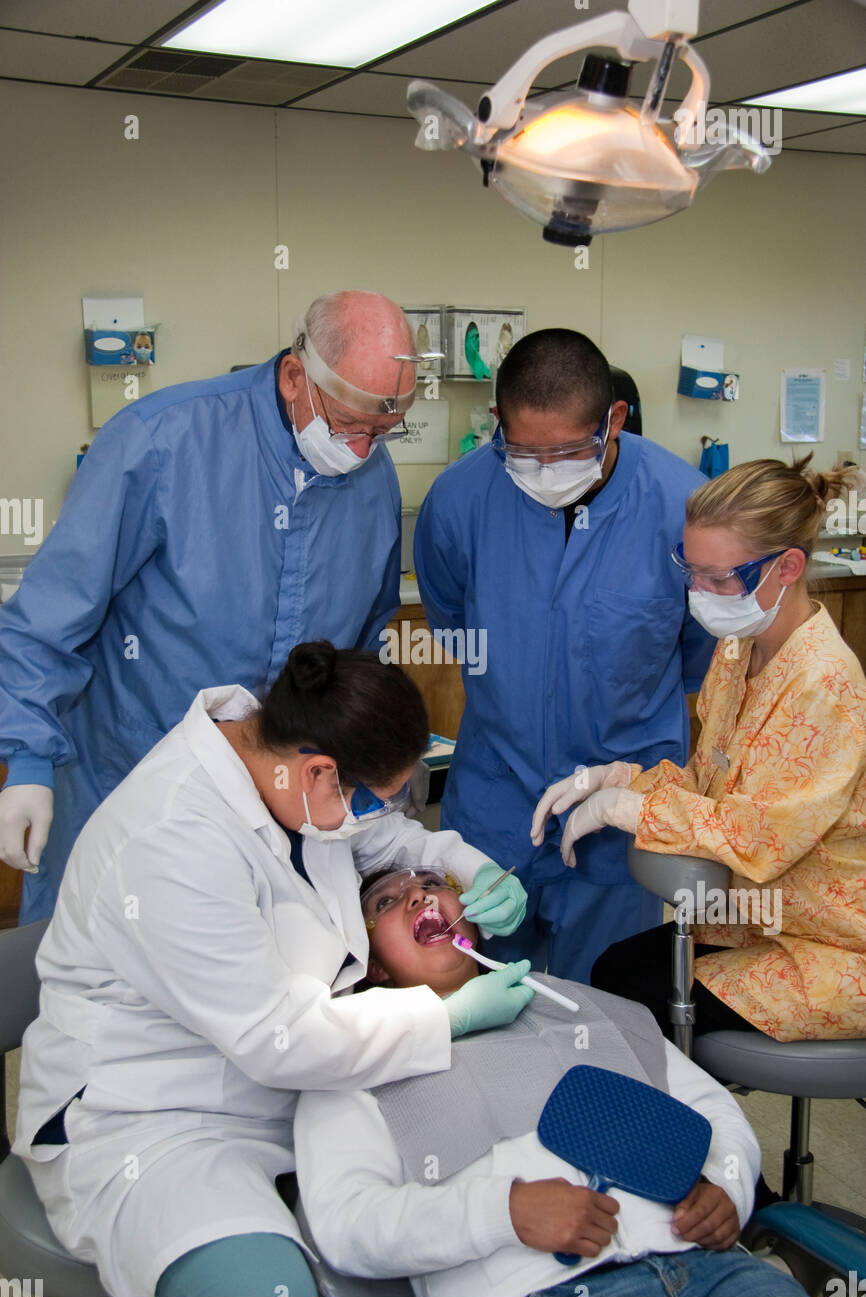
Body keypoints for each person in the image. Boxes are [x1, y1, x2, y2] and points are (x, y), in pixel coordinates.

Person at [13, 642, 534, 1297]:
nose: (377, 818)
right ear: (319, 773)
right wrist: (445, 1014)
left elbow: (386, 840)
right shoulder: (172, 842)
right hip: (150, 1117)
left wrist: (465, 859)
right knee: (268, 1287)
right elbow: (278, 1038)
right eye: (375, 800)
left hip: (291, 1087)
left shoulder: (279, 760)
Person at [0, 289, 424, 925]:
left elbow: (360, 650)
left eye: (383, 431)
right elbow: (49, 619)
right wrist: (28, 757)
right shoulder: (160, 443)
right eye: (348, 425)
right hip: (124, 791)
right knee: (99, 993)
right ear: (292, 377)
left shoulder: (372, 483)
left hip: (271, 818)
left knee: (240, 995)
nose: (362, 451)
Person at [292, 862, 810, 1297]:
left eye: (431, 882)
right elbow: (345, 1220)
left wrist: (727, 1186)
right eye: (385, 903)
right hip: (539, 1286)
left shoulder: (576, 1005)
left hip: (712, 1273)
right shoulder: (353, 1056)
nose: (418, 895)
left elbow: (711, 1108)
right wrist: (505, 1212)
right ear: (372, 966)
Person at [414, 328, 714, 980]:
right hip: (496, 811)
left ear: (613, 420)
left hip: (619, 824)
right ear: (496, 424)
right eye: (523, 452)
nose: (546, 472)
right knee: (487, 1021)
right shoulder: (460, 502)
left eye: (570, 450)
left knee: (604, 1019)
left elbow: (698, 657)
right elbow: (454, 620)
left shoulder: (683, 510)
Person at [533, 458, 866, 1043]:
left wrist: (630, 812)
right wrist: (619, 780)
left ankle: (692, 1128)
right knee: (613, 973)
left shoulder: (824, 684)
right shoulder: (739, 652)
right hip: (759, 917)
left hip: (829, 942)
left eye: (719, 578)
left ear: (787, 567)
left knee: (634, 1009)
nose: (699, 594)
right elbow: (708, 787)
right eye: (690, 572)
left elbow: (760, 837)